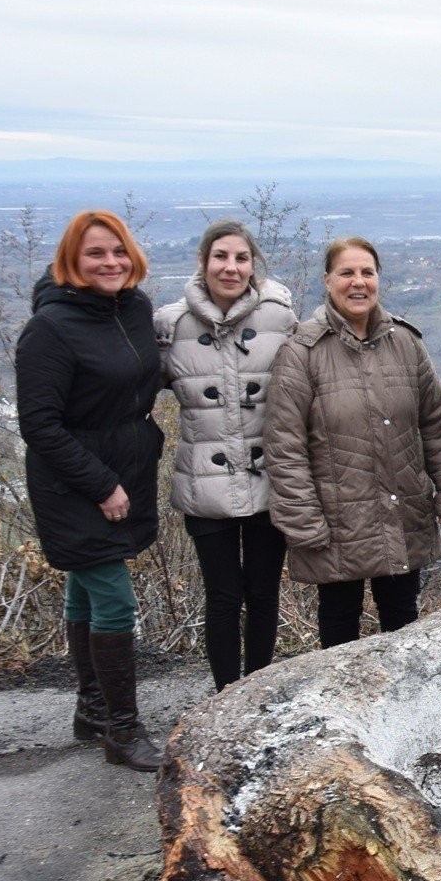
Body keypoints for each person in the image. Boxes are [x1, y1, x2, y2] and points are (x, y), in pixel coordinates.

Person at [15, 209, 166, 771]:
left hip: (125, 471)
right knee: (113, 599)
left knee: (85, 586)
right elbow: (40, 425)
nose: (110, 263)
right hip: (73, 482)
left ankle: (93, 710)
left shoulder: (134, 308)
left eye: (118, 251)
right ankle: (124, 733)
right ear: (71, 262)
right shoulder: (50, 329)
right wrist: (102, 486)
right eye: (95, 254)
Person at [264, 237, 441, 648]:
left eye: (367, 272)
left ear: (377, 279)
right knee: (339, 630)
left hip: (403, 509)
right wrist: (304, 522)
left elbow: (435, 426)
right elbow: (285, 449)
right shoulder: (301, 353)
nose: (358, 282)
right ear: (327, 280)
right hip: (336, 521)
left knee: (403, 622)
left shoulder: (406, 345)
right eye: (346, 273)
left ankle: (405, 710)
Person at [155, 220, 297, 689]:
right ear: (203, 262)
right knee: (220, 597)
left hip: (268, 480)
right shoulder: (171, 325)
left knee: (262, 593)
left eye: (240, 258)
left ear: (253, 265)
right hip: (204, 485)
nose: (230, 267)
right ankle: (223, 696)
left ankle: (253, 693)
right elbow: (128, 391)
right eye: (221, 257)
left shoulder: (279, 318)